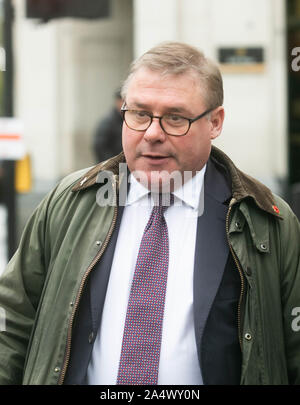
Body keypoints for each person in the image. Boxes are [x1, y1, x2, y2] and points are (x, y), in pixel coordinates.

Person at [0, 41, 299, 386]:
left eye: (175, 118)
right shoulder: (69, 203)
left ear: (215, 122)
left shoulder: (268, 221)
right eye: (140, 114)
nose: (153, 133)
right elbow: (13, 321)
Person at [92, 89, 123, 163]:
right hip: (111, 165)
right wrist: (110, 164)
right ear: (117, 102)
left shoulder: (125, 119)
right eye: (123, 101)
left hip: (122, 165)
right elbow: (100, 147)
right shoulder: (108, 121)